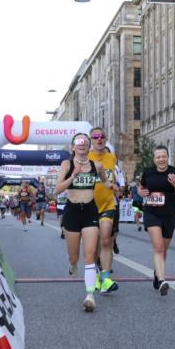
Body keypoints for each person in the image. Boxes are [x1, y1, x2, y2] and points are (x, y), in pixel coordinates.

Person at [54, 132, 116, 312]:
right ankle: (72, 264)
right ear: (73, 147)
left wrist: (112, 186)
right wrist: (73, 176)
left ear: (88, 147)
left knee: (89, 255)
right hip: (72, 211)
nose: (82, 145)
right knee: (74, 257)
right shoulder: (67, 164)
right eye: (78, 142)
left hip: (90, 211)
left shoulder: (96, 165)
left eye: (85, 143)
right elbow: (57, 190)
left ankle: (90, 295)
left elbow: (105, 182)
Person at [138, 146, 175, 296]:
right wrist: (141, 192)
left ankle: (157, 273)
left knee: (163, 250)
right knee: (158, 248)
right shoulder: (148, 172)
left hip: (168, 214)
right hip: (151, 213)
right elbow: (141, 187)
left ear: (168, 157)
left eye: (163, 156)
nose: (161, 159)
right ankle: (162, 280)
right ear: (154, 159)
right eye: (158, 157)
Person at [89, 127, 121, 294]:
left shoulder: (111, 157)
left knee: (106, 240)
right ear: (91, 140)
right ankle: (93, 274)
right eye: (95, 137)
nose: (99, 139)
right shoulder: (85, 157)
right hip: (89, 206)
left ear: (105, 138)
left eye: (102, 136)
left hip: (108, 204)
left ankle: (106, 278)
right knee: (93, 245)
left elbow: (112, 178)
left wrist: (115, 187)